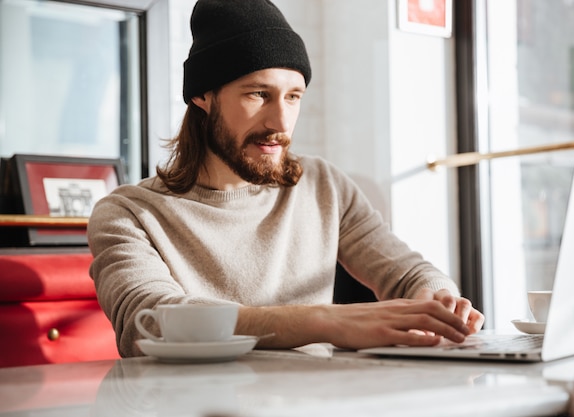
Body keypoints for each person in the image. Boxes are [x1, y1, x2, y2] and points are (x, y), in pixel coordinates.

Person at [87, 0, 484, 357]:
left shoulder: (323, 186)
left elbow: (408, 273)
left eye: (293, 96)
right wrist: (325, 322)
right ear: (203, 97)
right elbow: (149, 320)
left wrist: (441, 302)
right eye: (258, 94)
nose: (280, 122)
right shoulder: (127, 213)